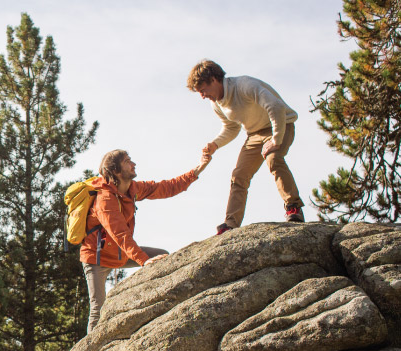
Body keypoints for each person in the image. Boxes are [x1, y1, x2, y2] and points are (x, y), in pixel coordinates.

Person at [80, 149, 210, 333]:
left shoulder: (132, 189)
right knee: (97, 310)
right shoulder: (105, 199)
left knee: (162, 257)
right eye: (127, 161)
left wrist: (197, 170)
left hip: (121, 254)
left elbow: (166, 187)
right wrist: (143, 260)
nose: (133, 164)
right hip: (96, 259)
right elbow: (120, 234)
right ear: (116, 171)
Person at [187, 59, 305, 235]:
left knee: (274, 158)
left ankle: (293, 207)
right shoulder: (217, 104)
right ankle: (231, 224)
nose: (202, 96)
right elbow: (231, 127)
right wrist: (215, 144)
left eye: (203, 90)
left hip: (281, 124)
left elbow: (276, 107)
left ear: (214, 79)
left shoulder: (244, 85)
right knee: (239, 175)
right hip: (254, 135)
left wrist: (276, 139)